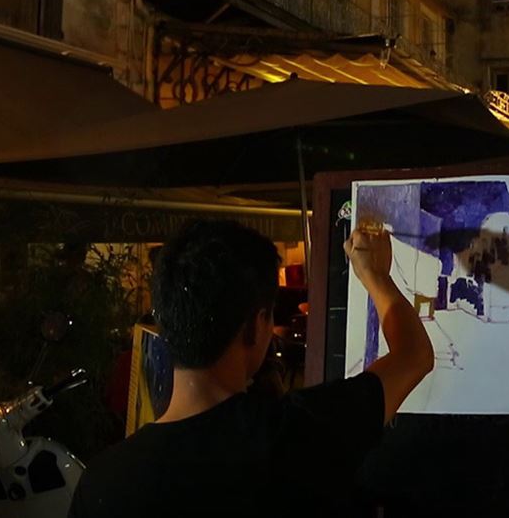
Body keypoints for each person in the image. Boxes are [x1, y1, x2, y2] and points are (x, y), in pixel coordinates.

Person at [68, 220, 433, 517]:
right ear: (257, 326)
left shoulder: (102, 483)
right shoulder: (298, 437)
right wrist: (375, 275)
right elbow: (414, 355)